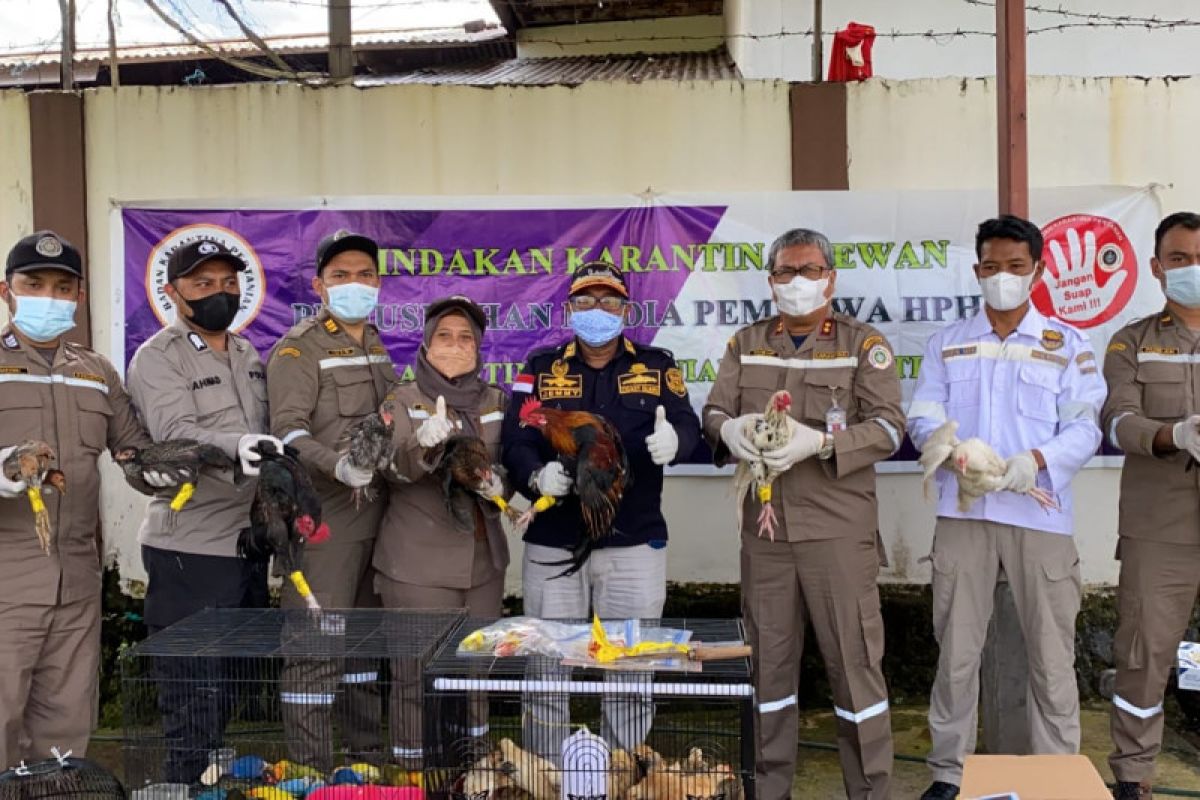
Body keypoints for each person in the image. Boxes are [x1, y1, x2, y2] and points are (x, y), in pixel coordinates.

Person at [907, 215, 1106, 800]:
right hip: (963, 515)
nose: (1003, 278)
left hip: (1040, 516)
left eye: (1016, 267)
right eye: (992, 267)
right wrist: (946, 447)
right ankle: (949, 773)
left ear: (1038, 271)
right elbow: (922, 414)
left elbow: (1084, 426)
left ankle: (1055, 774)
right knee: (957, 655)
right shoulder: (948, 342)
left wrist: (1035, 463)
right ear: (977, 271)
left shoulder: (1068, 343)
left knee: (1052, 656)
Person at [703, 228, 901, 800]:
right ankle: (769, 790)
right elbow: (715, 410)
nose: (797, 283)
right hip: (765, 533)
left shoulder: (864, 345)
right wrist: (731, 429)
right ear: (770, 281)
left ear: (831, 278)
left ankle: (871, 792)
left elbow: (889, 428)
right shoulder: (746, 343)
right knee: (768, 670)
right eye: (786, 272)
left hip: (837, 534)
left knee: (856, 669)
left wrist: (822, 444)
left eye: (809, 271)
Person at [501, 260, 702, 758]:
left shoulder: (657, 364)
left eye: (608, 301)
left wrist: (676, 440)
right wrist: (535, 476)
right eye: (586, 301)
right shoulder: (541, 366)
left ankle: (623, 772)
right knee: (547, 666)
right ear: (570, 309)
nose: (598, 310)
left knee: (631, 670)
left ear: (625, 310)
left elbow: (689, 425)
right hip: (554, 542)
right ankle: (545, 776)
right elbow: (514, 439)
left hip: (633, 541)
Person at [0, 231, 183, 770]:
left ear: (78, 296)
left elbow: (136, 452)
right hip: (7, 573)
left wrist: (189, 463)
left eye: (62, 286)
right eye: (34, 284)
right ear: (6, 290)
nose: (49, 296)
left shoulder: (96, 372)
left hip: (76, 571)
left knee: (67, 713)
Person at [126, 237, 282, 782]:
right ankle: (183, 778)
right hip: (189, 545)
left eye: (228, 282)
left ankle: (211, 771)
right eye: (203, 283)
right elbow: (174, 434)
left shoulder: (247, 354)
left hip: (245, 542)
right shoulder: (157, 358)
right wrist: (235, 446)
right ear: (173, 293)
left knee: (234, 673)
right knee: (191, 681)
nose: (220, 292)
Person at [266, 229, 396, 767]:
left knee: (365, 647)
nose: (354, 284)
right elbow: (288, 432)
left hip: (380, 517)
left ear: (378, 283)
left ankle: (363, 758)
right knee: (316, 650)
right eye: (340, 276)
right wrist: (338, 467)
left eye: (364, 274)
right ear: (320, 284)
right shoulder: (299, 348)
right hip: (326, 520)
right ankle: (310, 770)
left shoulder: (376, 344)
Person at [375, 295, 509, 765]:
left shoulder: (494, 400)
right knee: (415, 676)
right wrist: (423, 447)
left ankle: (473, 772)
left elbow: (510, 463)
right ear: (427, 344)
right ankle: (413, 773)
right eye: (445, 337)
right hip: (417, 564)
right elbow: (390, 468)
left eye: (466, 337)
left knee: (475, 677)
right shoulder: (401, 399)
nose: (456, 346)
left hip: (483, 563)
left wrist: (499, 483)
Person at [1103, 211, 1200, 800]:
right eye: (1180, 257)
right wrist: (1175, 436)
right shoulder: (1131, 340)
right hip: (1158, 521)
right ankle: (1133, 776)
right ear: (1157, 267)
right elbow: (1116, 418)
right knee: (1143, 652)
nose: (1191, 267)